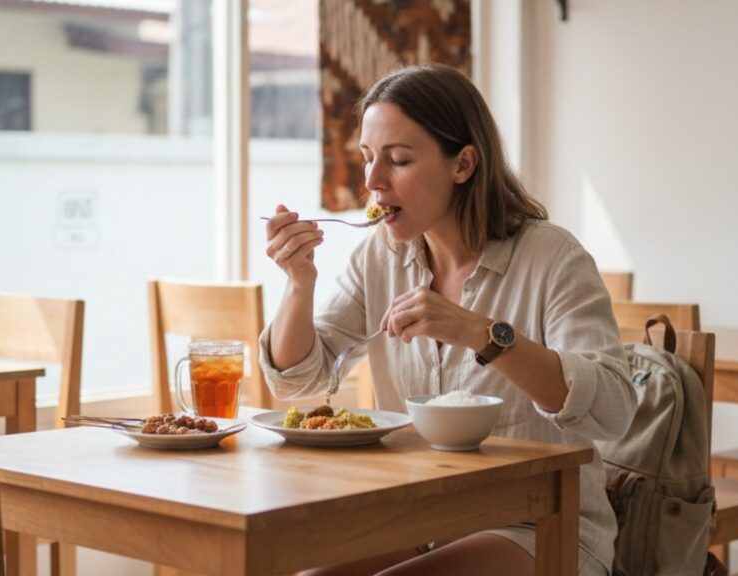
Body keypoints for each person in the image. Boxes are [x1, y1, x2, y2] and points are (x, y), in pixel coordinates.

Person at [258, 64, 636, 576]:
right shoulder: (379, 257)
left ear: (463, 164)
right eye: (368, 158)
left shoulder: (553, 257)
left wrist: (481, 334)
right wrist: (298, 285)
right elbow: (298, 377)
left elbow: (613, 409)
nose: (372, 181)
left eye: (398, 160)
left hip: (541, 525)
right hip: (423, 522)